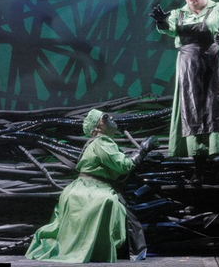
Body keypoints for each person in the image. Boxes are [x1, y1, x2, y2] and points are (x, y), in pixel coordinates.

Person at [149, 0, 219, 185]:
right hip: (190, 67)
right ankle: (199, 171)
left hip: (217, 65)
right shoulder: (179, 13)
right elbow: (170, 29)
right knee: (193, 111)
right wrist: (161, 21)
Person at [25, 109, 159, 263]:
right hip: (92, 188)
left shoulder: (98, 143)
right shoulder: (102, 142)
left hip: (80, 188)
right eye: (105, 117)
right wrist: (143, 149)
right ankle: (128, 252)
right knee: (113, 204)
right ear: (97, 128)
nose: (111, 118)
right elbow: (123, 165)